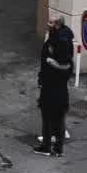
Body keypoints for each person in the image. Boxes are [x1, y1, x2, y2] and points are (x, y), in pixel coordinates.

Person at [35, 14, 76, 156]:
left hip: (54, 84)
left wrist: (53, 64)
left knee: (53, 115)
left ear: (58, 24)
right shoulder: (56, 36)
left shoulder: (62, 40)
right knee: (51, 114)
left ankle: (52, 147)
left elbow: (67, 65)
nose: (48, 24)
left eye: (51, 22)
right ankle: (51, 146)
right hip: (50, 82)